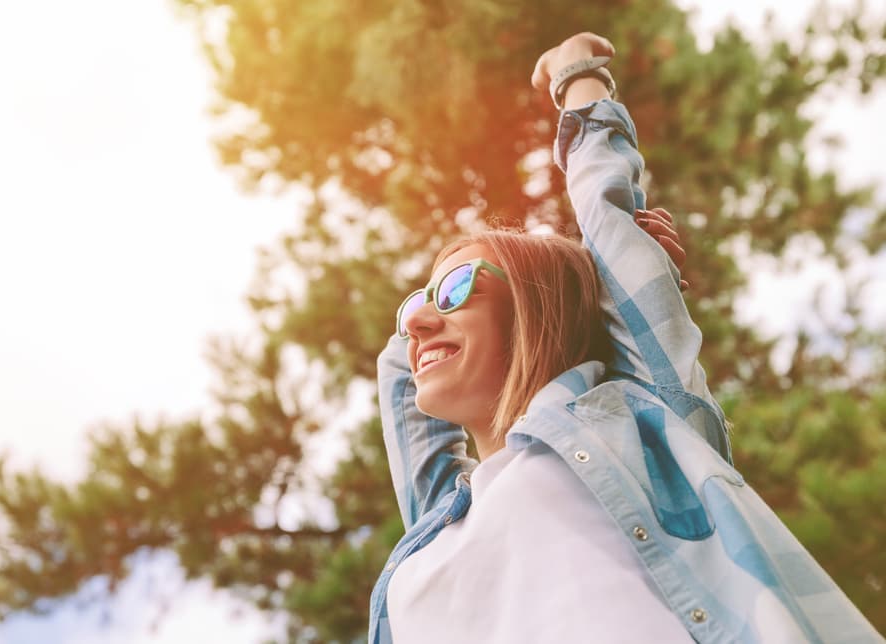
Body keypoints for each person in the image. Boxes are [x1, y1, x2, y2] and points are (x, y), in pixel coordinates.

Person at [369, 32, 882, 643]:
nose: (419, 322)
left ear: (540, 309)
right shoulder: (439, 524)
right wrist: (440, 299)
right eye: (417, 306)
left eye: (457, 289)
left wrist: (577, 79)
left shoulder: (638, 428)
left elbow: (607, 218)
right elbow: (399, 369)